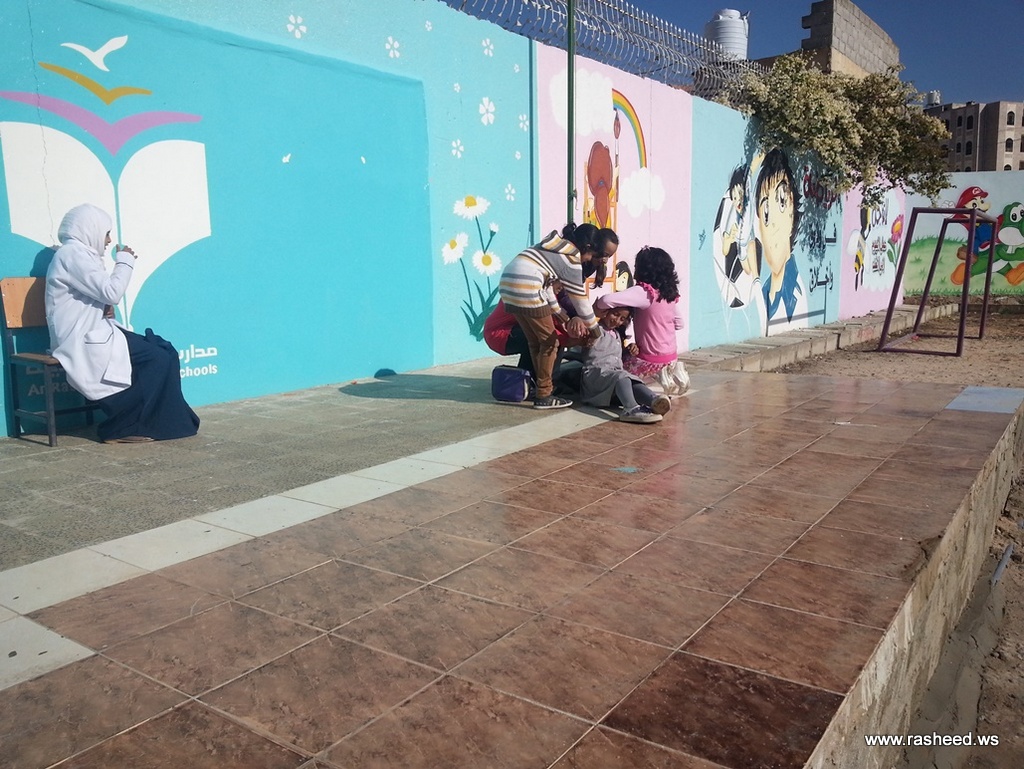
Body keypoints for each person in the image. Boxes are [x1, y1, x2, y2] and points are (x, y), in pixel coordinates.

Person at [45, 203, 200, 444]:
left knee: (166, 352)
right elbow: (112, 291)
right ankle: (123, 426)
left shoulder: (81, 255)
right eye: (106, 233)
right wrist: (125, 261)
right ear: (90, 228)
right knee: (157, 358)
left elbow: (99, 296)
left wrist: (103, 306)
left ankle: (155, 422)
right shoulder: (71, 255)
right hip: (80, 340)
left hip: (99, 332)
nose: (108, 240)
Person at [497, 223, 608, 409]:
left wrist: (561, 315)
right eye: (591, 255)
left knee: (535, 342)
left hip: (508, 286)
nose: (589, 259)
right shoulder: (571, 259)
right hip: (527, 287)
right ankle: (544, 394)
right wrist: (594, 331)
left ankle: (538, 385)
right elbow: (579, 299)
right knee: (550, 343)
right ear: (587, 247)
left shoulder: (553, 247)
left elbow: (547, 287)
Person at [594, 246, 690, 396]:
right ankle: (674, 371)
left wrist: (598, 308)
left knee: (621, 371)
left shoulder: (644, 292)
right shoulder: (669, 295)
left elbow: (606, 300)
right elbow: (679, 323)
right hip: (671, 356)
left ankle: (661, 375)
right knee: (654, 363)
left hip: (649, 359)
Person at [578, 304, 670, 424]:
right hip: (595, 376)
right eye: (615, 314)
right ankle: (630, 409)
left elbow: (614, 355)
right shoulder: (595, 330)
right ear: (606, 311)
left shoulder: (616, 335)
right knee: (622, 376)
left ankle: (653, 401)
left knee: (633, 381)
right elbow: (586, 341)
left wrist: (628, 350)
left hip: (611, 378)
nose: (617, 320)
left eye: (622, 319)